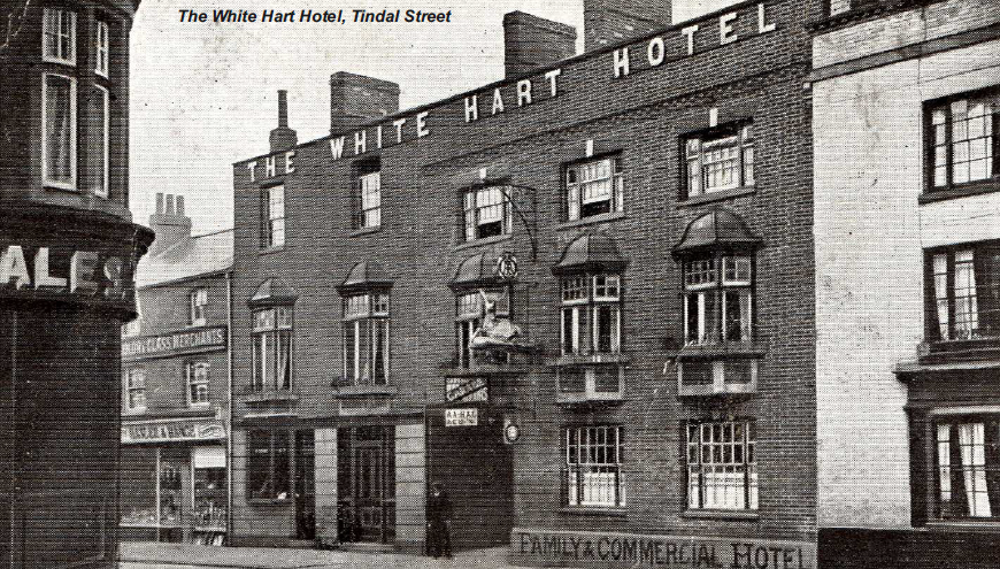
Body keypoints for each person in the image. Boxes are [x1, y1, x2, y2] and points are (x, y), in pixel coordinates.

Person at [426, 481, 453, 558]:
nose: (434, 489)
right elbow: (428, 509)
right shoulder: (431, 497)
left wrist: (448, 519)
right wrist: (429, 521)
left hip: (442, 519)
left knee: (445, 535)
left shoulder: (444, 496)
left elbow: (448, 508)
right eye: (433, 487)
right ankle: (438, 552)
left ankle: (448, 552)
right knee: (435, 536)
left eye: (435, 487)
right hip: (434, 519)